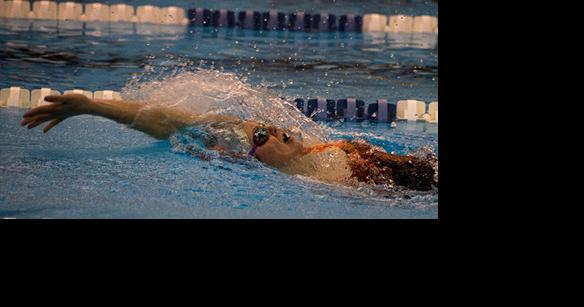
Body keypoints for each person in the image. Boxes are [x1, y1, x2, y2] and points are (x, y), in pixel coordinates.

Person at [20, 94, 437, 191]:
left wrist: (92, 104)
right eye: (262, 136)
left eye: (268, 127)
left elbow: (167, 118)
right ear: (256, 158)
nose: (273, 131)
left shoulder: (316, 152)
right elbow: (165, 125)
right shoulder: (312, 179)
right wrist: (91, 107)